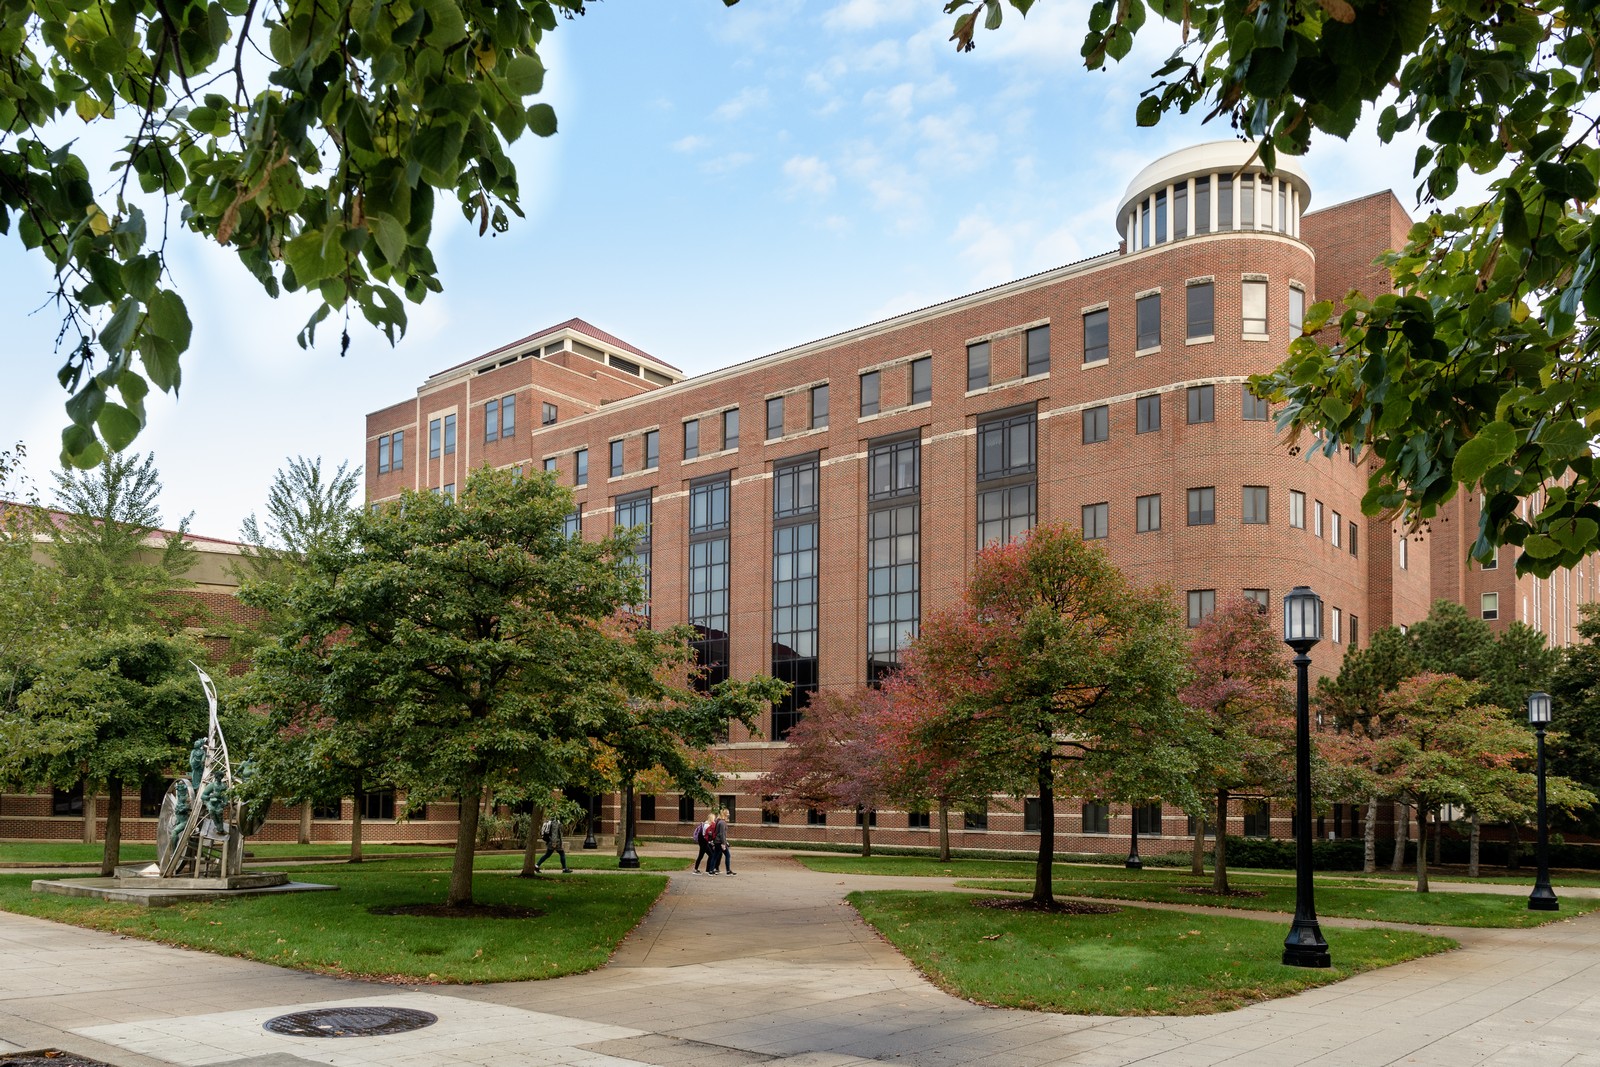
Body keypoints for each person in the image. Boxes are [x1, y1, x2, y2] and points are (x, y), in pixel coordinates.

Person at [711, 809, 735, 875]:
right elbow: (722, 834)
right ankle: (728, 871)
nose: (729, 815)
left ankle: (711, 870)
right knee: (727, 855)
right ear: (725, 814)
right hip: (720, 842)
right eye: (728, 814)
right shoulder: (722, 823)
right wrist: (724, 843)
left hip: (717, 841)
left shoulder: (718, 821)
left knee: (715, 856)